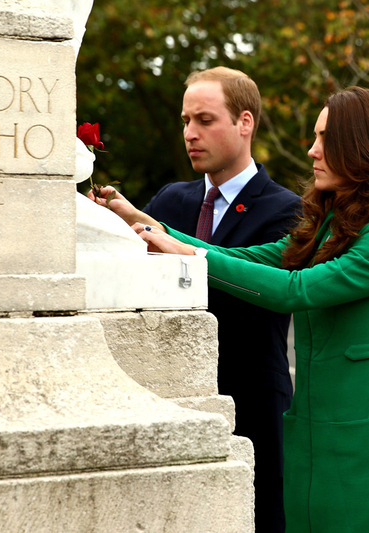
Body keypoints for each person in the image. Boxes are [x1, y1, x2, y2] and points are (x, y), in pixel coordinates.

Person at [127, 86, 369, 533]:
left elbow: (293, 290)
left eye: (325, 138)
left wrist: (187, 255)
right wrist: (145, 224)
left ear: (362, 147)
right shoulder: (331, 226)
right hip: (314, 443)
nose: (312, 151)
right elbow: (248, 258)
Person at [88, 67, 300, 533]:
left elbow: (263, 289)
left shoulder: (286, 209)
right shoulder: (169, 200)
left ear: (245, 122)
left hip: (251, 402)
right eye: (185, 121)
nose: (190, 134)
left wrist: (167, 240)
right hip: (166, 397)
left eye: (205, 120)